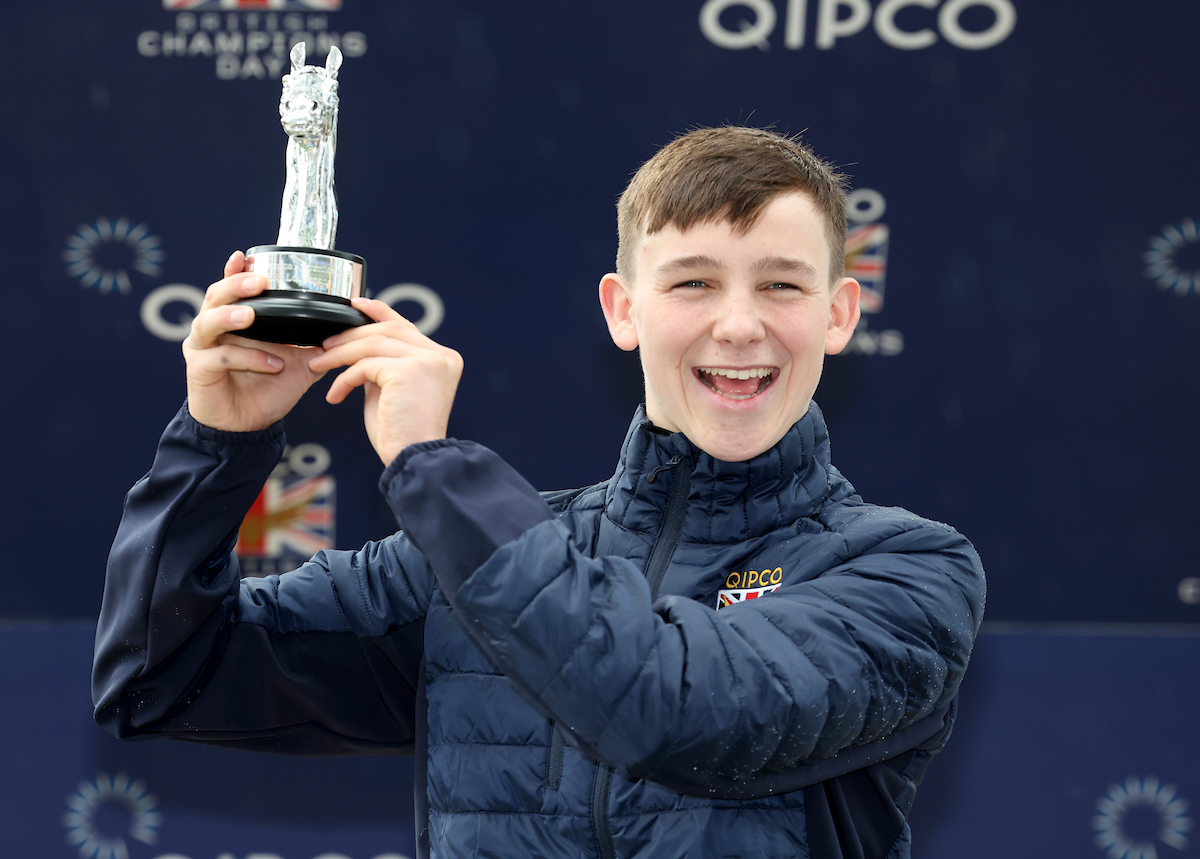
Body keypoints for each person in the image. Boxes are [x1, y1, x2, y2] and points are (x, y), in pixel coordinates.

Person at [94, 126, 985, 859]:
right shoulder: (471, 554)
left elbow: (670, 712)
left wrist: (430, 464)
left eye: (781, 284)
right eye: (694, 282)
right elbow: (159, 677)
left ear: (838, 313)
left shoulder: (908, 572)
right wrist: (222, 442)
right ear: (622, 309)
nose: (740, 323)